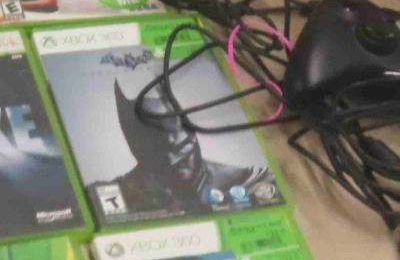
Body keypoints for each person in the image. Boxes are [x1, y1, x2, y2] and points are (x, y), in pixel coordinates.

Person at [97, 79, 275, 216]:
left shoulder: (248, 181)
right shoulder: (112, 195)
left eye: (177, 147)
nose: (170, 159)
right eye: (155, 150)